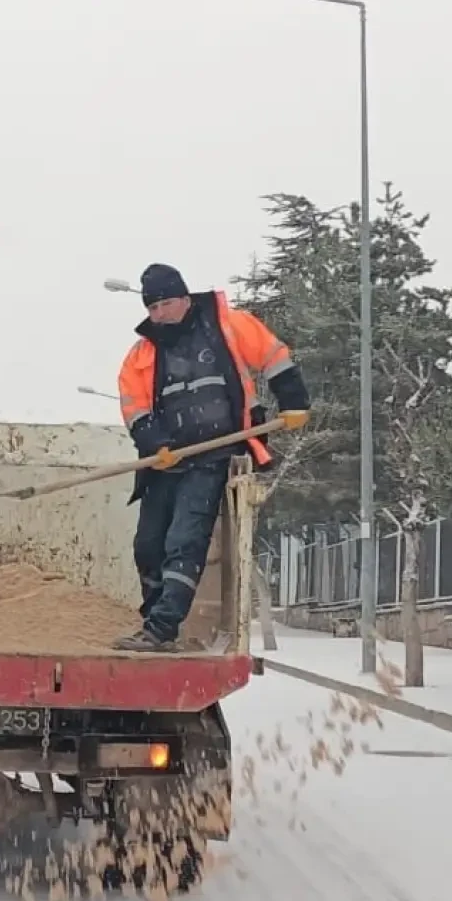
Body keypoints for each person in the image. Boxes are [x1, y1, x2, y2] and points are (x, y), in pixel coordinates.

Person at [114, 263, 310, 651]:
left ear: (186, 299)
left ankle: (162, 628)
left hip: (216, 454)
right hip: (167, 461)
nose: (159, 314)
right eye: (152, 307)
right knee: (148, 545)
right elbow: (134, 407)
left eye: (166, 303)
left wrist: (294, 402)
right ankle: (154, 617)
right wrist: (155, 447)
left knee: (184, 540)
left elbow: (275, 356)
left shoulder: (228, 326)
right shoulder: (142, 353)